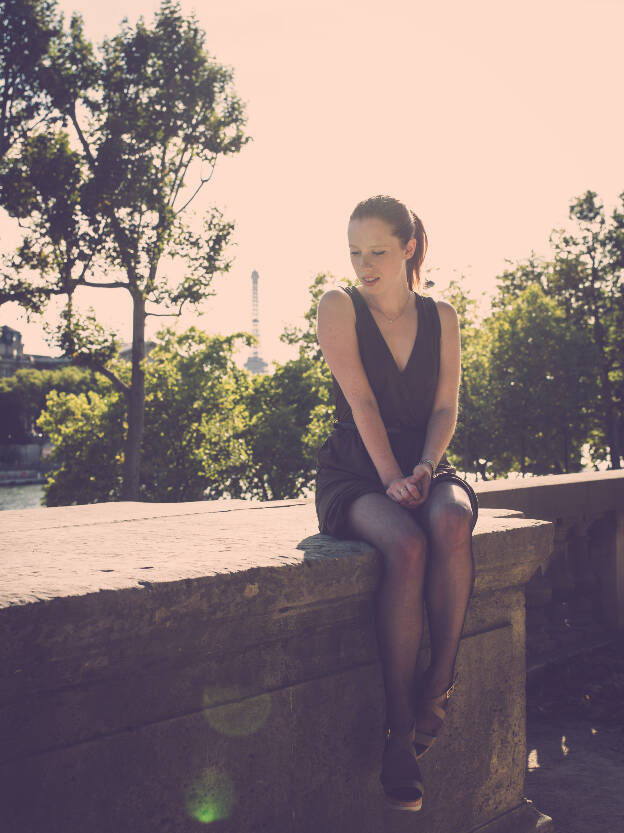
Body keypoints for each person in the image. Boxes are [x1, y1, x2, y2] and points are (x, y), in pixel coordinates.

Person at [314, 195, 479, 812]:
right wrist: (389, 478)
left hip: (423, 463)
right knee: (405, 545)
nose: (363, 265)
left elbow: (444, 408)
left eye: (377, 252)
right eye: (355, 252)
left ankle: (438, 684)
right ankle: (399, 733)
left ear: (409, 248)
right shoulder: (339, 306)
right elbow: (360, 405)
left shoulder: (443, 315)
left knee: (451, 517)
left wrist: (424, 469)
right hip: (357, 471)